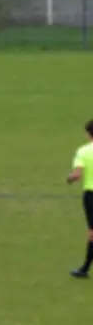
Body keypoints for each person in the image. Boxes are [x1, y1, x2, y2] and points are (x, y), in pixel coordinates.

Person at [67, 119, 93, 279]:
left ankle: (84, 269)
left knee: (92, 233)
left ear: (88, 133)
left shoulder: (83, 151)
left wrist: (69, 178)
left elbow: (77, 174)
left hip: (92, 196)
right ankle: (84, 268)